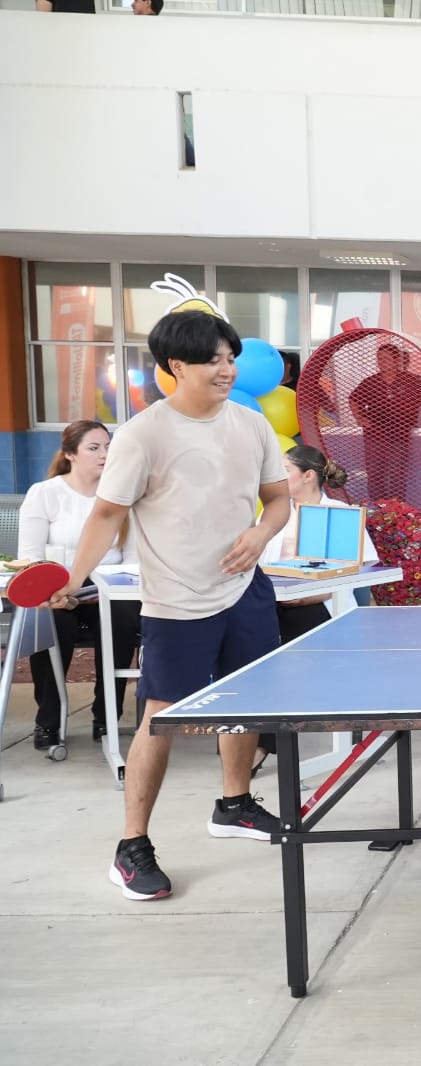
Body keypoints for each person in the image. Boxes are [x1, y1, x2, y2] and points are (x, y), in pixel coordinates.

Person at [50, 309, 291, 902]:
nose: (227, 370)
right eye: (213, 360)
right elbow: (108, 514)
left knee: (245, 700)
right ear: (176, 366)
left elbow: (278, 500)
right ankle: (131, 846)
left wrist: (260, 534)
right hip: (177, 599)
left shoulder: (251, 424)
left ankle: (234, 804)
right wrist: (74, 578)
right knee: (161, 716)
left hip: (245, 588)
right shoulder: (143, 435)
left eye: (231, 359)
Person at [251, 445, 379, 772]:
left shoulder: (339, 513)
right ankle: (254, 738)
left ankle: (263, 744)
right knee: (249, 642)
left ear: (308, 475)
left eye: (285, 471)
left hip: (322, 606)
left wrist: (312, 595)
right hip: (273, 602)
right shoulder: (272, 515)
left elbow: (359, 571)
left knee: (282, 647)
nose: (277, 478)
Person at [17, 421, 141, 750]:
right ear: (70, 454)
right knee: (50, 621)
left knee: (124, 618)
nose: (104, 455)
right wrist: (58, 590)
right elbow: (30, 557)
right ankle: (48, 720)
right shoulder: (45, 493)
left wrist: (102, 588)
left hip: (109, 588)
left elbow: (133, 560)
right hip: (57, 590)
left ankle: (106, 716)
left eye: (108, 447)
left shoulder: (122, 496)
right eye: (94, 448)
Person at [349, 342, 421, 503]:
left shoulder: (413, 381)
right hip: (374, 436)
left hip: (400, 436)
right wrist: (360, 418)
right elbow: (353, 400)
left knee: (396, 475)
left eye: (385, 358)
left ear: (397, 359)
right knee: (375, 474)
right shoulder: (371, 382)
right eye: (379, 358)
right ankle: (377, 510)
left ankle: (396, 511)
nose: (381, 362)